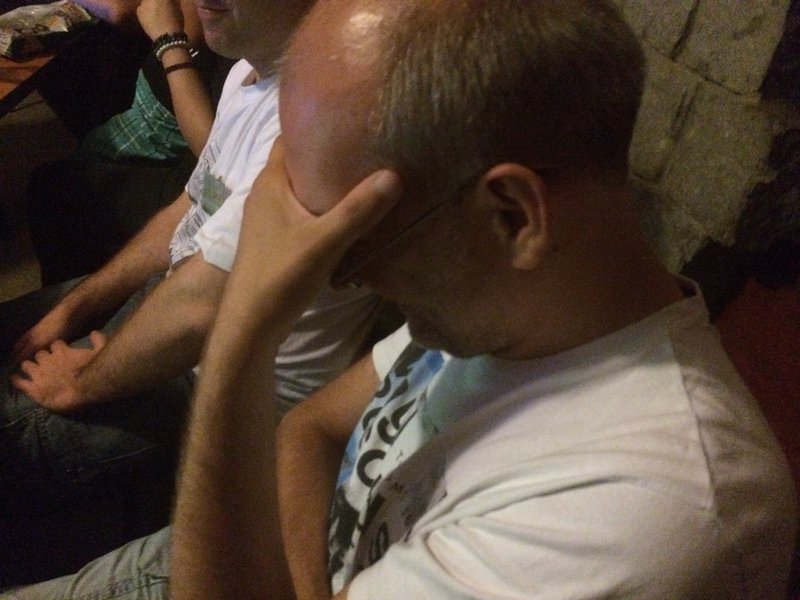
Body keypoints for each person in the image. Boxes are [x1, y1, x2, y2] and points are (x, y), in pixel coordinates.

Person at [7, 0, 797, 598]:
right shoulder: (514, 310)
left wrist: (246, 321)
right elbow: (310, 429)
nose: (344, 283)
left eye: (350, 245)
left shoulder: (647, 512)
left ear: (512, 217)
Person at [0, 0, 382, 587]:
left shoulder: (317, 115)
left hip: (220, 383)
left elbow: (203, 306)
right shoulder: (247, 70)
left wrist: (81, 380)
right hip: (177, 308)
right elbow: (191, 205)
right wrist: (75, 307)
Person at [27, 0, 234, 285]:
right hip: (172, 119)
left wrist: (170, 43)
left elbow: (216, 156)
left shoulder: (259, 59)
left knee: (51, 189)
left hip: (196, 166)